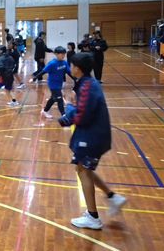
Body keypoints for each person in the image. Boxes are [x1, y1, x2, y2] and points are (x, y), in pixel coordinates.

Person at [58, 52, 126, 229]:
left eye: (71, 65)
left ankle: (93, 216)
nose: (70, 67)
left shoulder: (87, 86)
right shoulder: (89, 83)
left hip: (91, 136)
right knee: (83, 168)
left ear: (77, 68)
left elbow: (81, 117)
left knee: (83, 171)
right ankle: (112, 197)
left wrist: (68, 109)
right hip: (94, 135)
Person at [31, 46, 70, 118]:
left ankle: (44, 111)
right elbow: (43, 72)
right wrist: (34, 78)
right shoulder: (52, 63)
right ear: (56, 54)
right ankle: (64, 115)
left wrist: (75, 79)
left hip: (59, 83)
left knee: (53, 98)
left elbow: (69, 72)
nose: (63, 56)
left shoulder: (64, 62)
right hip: (53, 84)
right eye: (62, 54)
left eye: (64, 54)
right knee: (59, 99)